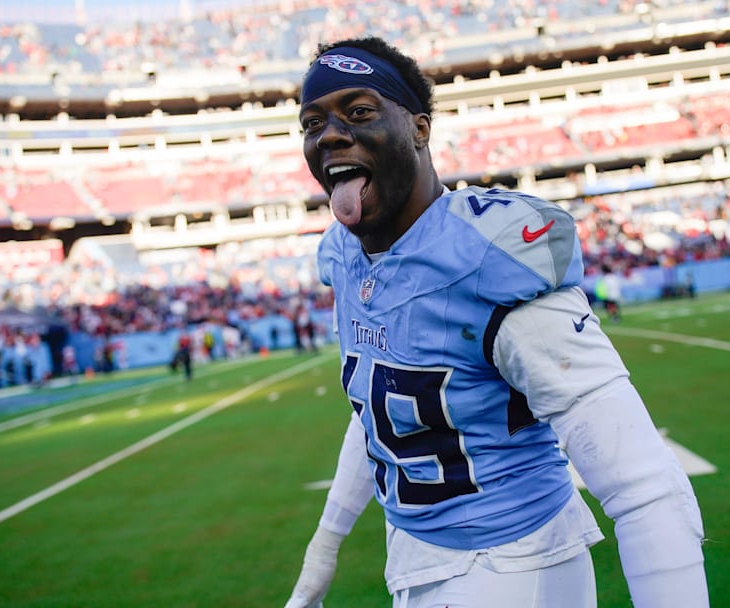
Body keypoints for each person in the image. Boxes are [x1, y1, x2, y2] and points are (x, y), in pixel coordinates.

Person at [285, 37, 708, 608]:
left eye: (359, 112)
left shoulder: (491, 254)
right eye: (312, 123)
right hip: (416, 555)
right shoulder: (345, 253)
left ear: (419, 129)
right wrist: (325, 543)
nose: (330, 135)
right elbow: (381, 411)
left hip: (514, 562)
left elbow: (645, 486)